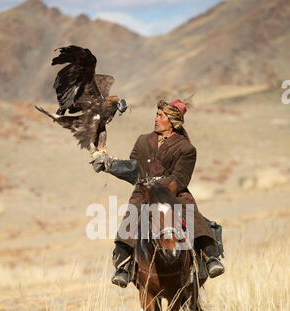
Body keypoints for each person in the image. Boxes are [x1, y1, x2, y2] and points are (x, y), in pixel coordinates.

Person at [91, 99, 225, 288]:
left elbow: (180, 178)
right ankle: (123, 266)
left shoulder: (186, 148)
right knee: (131, 216)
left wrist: (158, 189)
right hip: (143, 192)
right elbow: (134, 169)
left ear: (172, 121)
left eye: (161, 115)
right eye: (156, 114)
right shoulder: (143, 140)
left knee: (191, 213)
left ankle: (210, 257)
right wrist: (109, 165)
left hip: (173, 192)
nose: (156, 118)